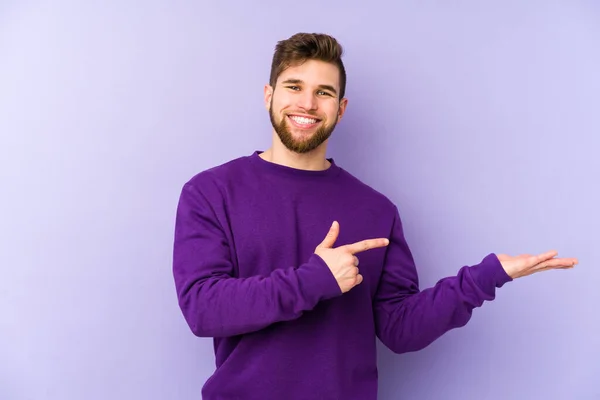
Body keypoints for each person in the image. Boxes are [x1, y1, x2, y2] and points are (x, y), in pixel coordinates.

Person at [172, 32, 578, 400]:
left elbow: (400, 329)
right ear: (268, 94)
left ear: (341, 107)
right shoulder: (211, 192)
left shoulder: (375, 209)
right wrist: (314, 281)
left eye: (324, 92)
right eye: (294, 86)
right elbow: (203, 309)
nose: (308, 103)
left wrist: (486, 277)